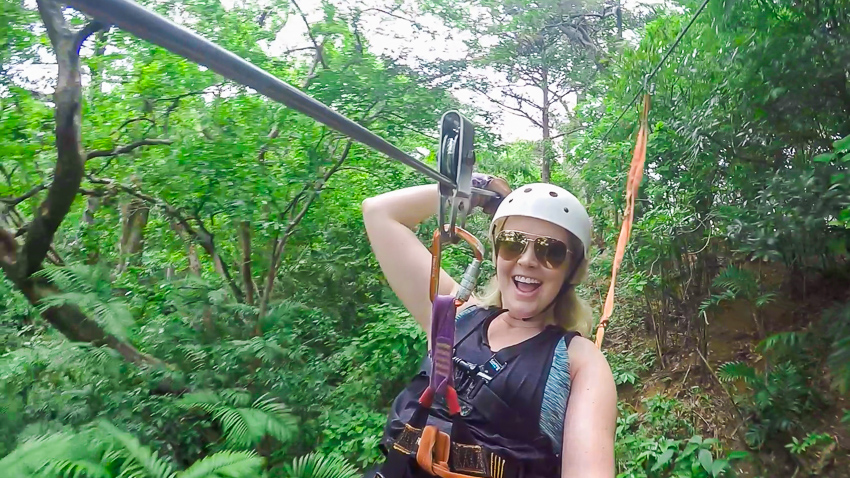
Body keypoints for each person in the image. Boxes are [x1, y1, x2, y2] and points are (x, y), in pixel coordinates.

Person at [361, 174, 617, 478]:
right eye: (513, 244)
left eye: (551, 252)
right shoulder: (456, 316)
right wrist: (475, 191)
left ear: (572, 271)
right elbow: (379, 213)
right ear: (496, 252)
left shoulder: (579, 361)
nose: (527, 260)